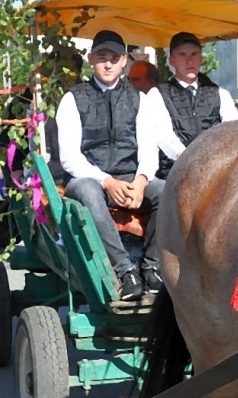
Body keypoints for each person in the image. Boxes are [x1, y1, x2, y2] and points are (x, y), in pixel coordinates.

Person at [54, 29, 178, 301]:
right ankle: (124, 271)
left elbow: (148, 148)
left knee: (167, 191)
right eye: (102, 57)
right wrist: (106, 181)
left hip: (130, 176)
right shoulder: (73, 99)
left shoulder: (139, 99)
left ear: (124, 61)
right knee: (88, 193)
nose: (108, 64)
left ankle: (151, 266)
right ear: (91, 59)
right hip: (88, 178)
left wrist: (141, 181)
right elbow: (70, 158)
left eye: (114, 57)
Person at [157, 32, 238, 168]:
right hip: (173, 173)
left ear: (201, 58)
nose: (189, 61)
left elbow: (234, 132)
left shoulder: (220, 94)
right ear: (172, 60)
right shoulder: (159, 94)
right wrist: (186, 158)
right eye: (182, 54)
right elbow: (163, 135)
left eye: (194, 54)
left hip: (214, 169)